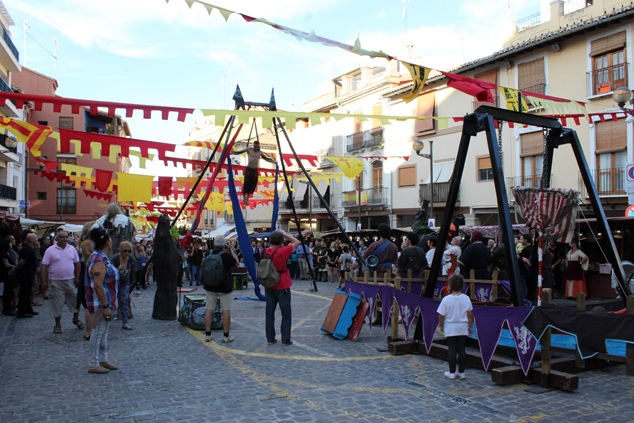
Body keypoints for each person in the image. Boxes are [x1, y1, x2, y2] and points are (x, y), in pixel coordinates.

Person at [85, 227, 119, 374]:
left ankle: (103, 359)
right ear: (108, 243)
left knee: (103, 331)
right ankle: (93, 363)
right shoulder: (98, 259)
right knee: (98, 332)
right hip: (100, 302)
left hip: (106, 300)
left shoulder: (100, 258)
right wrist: (105, 306)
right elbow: (98, 285)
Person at [40, 231, 82, 333]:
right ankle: (57, 324)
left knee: (75, 300)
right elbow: (44, 266)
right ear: (57, 238)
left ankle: (76, 319)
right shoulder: (50, 250)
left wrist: (77, 278)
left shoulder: (72, 249)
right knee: (57, 303)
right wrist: (43, 281)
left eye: (66, 237)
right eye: (62, 237)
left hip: (70, 280)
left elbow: (77, 264)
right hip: (56, 281)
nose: (65, 239)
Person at [264, 230, 300, 346]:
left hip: (268, 284)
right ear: (281, 242)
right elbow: (297, 242)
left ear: (270, 241)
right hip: (282, 284)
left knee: (269, 314)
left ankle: (270, 338)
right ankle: (285, 339)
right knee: (286, 314)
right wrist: (284, 233)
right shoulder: (282, 251)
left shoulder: (263, 252)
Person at [437, 274, 473, 380]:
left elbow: (441, 315)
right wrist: (470, 326)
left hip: (450, 326)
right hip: (462, 326)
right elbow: (470, 314)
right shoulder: (466, 298)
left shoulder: (446, 299)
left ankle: (452, 372)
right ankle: (462, 372)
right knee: (462, 349)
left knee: (452, 349)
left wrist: (441, 325)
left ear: (449, 286)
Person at [203, 235, 238, 343]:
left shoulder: (208, 253)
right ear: (224, 245)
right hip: (224, 287)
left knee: (209, 310)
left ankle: (208, 334)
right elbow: (236, 263)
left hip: (210, 286)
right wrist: (230, 250)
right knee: (225, 311)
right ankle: (226, 335)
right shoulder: (226, 256)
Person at [229, 140, 277, 205]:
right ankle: (244, 197)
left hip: (255, 170)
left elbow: (266, 158)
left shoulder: (260, 152)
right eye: (254, 146)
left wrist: (273, 162)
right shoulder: (249, 149)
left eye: (257, 146)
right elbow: (239, 152)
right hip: (249, 168)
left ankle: (248, 197)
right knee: (246, 183)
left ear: (258, 146)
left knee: (253, 184)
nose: (255, 148)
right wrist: (231, 153)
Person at [13, 231, 39, 318]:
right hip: (25, 274)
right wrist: (14, 270)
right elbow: (21, 262)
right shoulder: (28, 249)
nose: (37, 240)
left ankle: (28, 309)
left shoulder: (28, 248)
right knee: (24, 293)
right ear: (31, 240)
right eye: (35, 238)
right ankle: (21, 311)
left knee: (27, 292)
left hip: (28, 274)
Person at [78, 221, 95, 340]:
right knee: (91, 304)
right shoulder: (88, 243)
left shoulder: (85, 242)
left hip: (89, 272)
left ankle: (90, 330)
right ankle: (89, 331)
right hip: (91, 273)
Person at [111, 241, 135, 330]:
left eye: (129, 251)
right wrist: (118, 269)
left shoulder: (130, 259)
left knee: (125, 301)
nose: (127, 253)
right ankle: (109, 318)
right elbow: (110, 272)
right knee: (113, 301)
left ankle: (125, 322)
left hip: (125, 282)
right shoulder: (115, 259)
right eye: (125, 251)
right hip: (114, 283)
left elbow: (131, 269)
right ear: (121, 250)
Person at [1, 236, 16, 315]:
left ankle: (8, 307)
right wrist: (16, 267)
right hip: (6, 274)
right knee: (7, 292)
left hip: (9, 274)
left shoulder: (7, 252)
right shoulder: (3, 253)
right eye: (9, 243)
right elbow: (6, 264)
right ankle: (7, 309)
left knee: (10, 292)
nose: (11, 244)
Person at [517, 234, 534, 298]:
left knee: (522, 286)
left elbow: (518, 257)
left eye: (522, 239)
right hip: (529, 270)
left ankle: (524, 299)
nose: (520, 241)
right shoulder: (532, 248)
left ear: (526, 240)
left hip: (523, 270)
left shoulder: (525, 249)